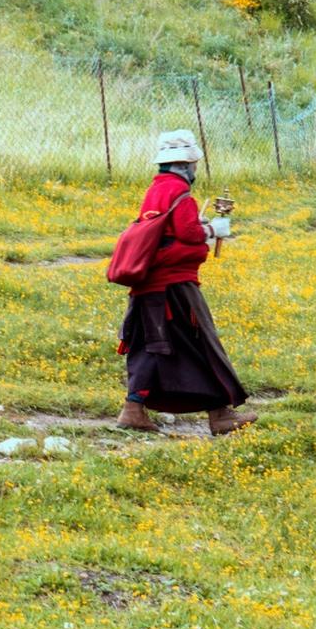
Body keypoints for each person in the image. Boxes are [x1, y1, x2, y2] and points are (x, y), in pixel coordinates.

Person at [116, 130, 256, 436]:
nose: (194, 171)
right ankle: (220, 415)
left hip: (150, 285)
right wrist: (213, 231)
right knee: (200, 343)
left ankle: (134, 409)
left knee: (154, 346)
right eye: (193, 165)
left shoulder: (157, 189)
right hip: (173, 286)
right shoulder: (180, 193)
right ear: (185, 165)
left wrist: (202, 226)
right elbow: (188, 234)